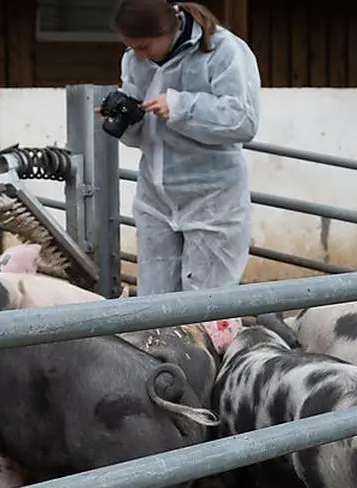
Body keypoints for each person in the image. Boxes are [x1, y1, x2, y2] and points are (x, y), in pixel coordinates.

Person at [108, 0, 261, 297]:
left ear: (167, 29)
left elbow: (243, 120)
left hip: (212, 199)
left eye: (144, 46)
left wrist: (181, 105)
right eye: (131, 47)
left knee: (208, 304)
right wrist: (125, 119)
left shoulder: (222, 50)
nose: (138, 54)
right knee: (156, 303)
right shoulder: (134, 60)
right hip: (156, 199)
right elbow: (143, 135)